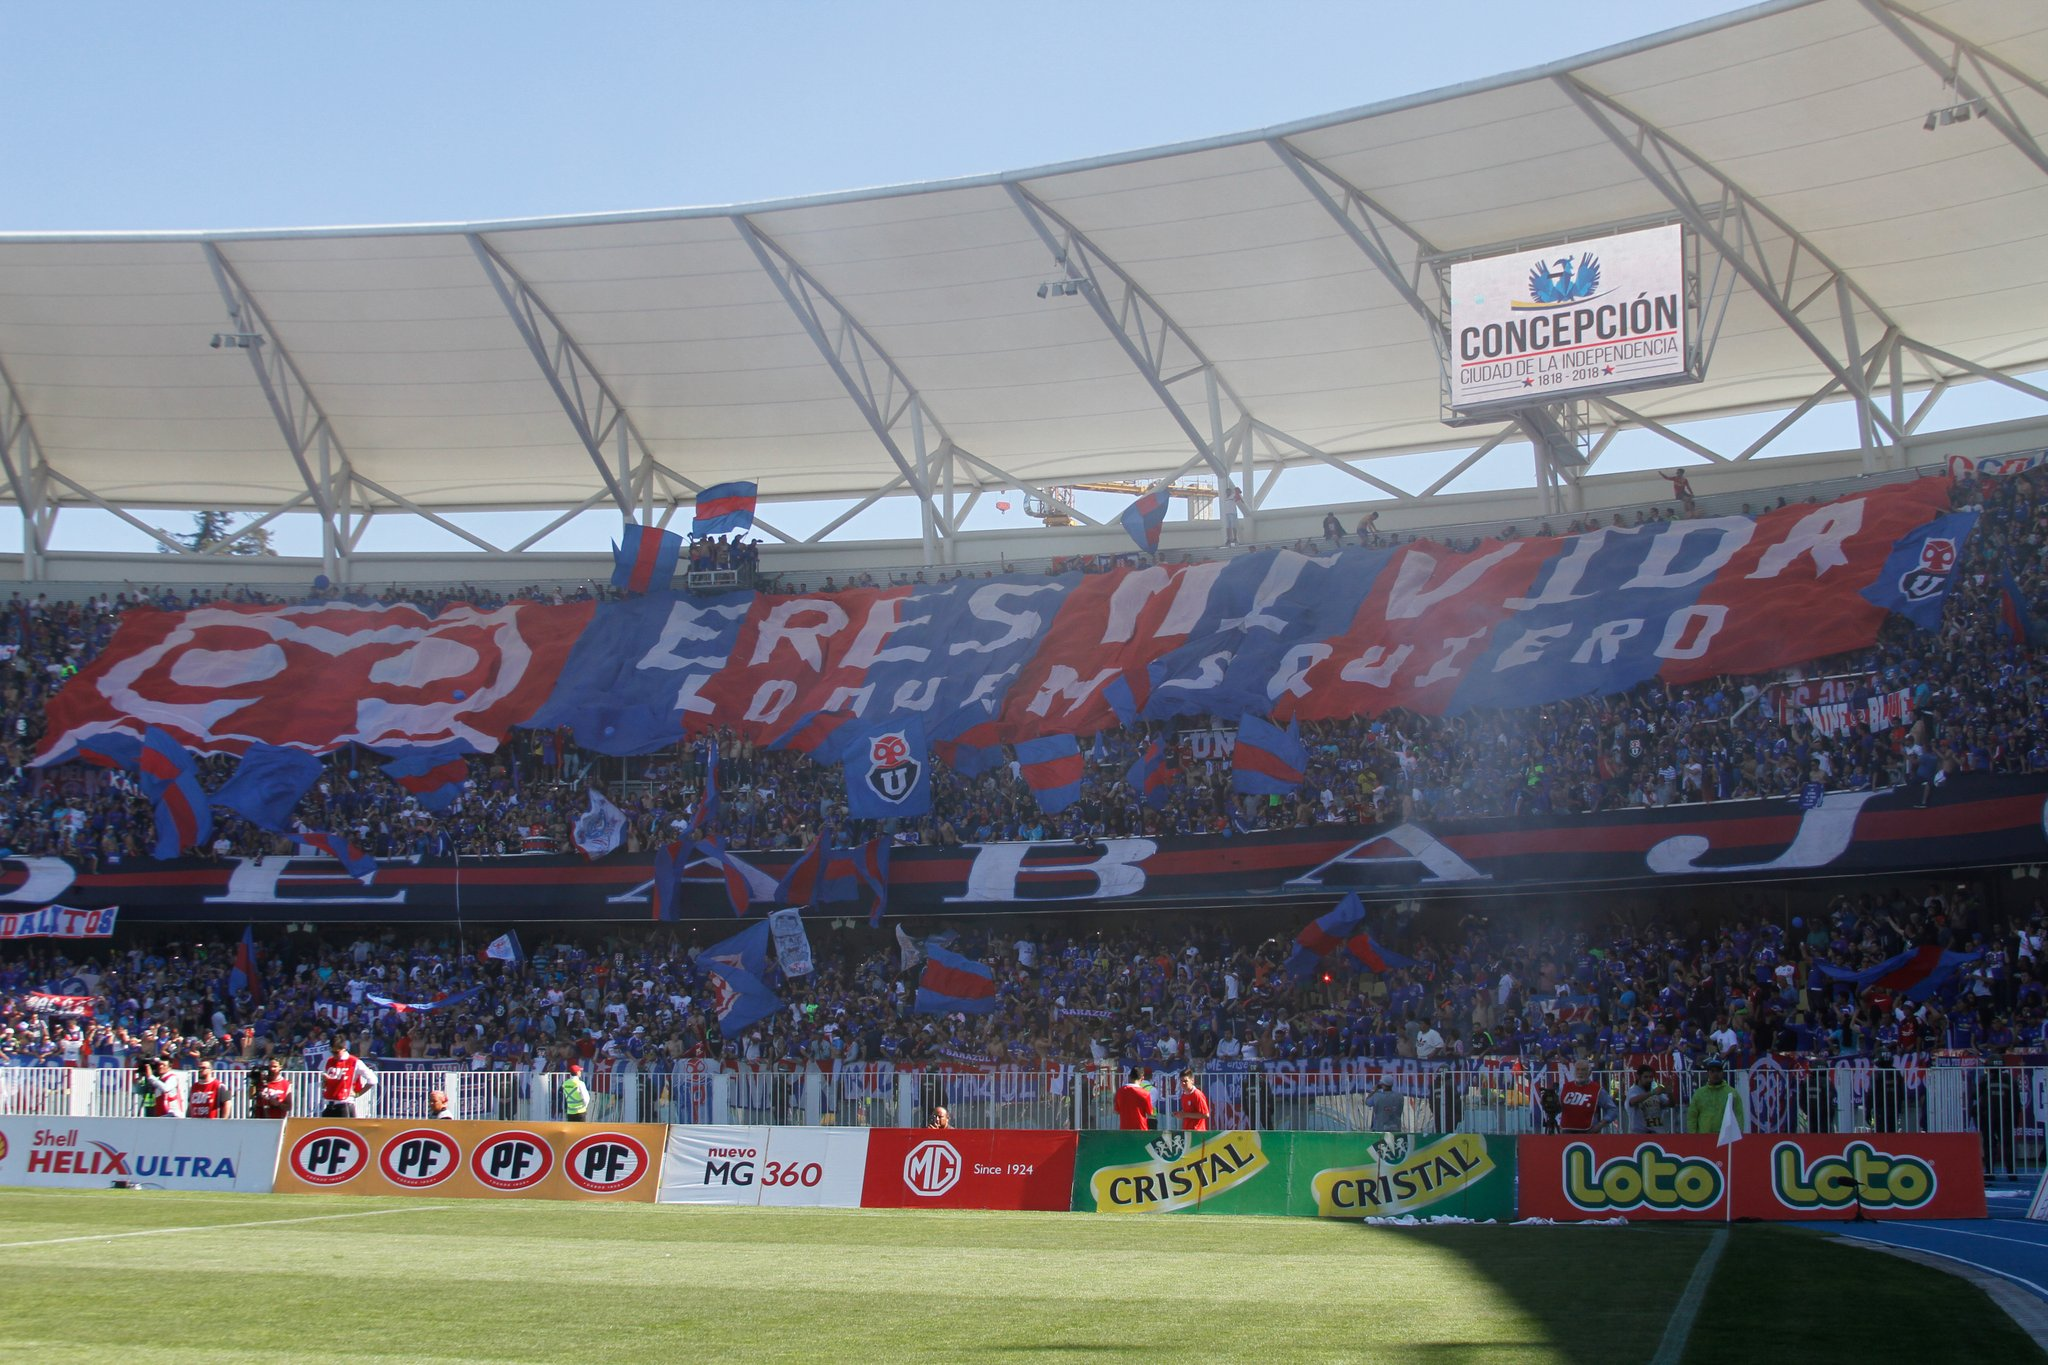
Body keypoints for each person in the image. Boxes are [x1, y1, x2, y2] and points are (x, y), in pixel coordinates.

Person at [1685, 1058, 1745, 1135]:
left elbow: (1738, 1115)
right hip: (1704, 1137)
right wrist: (1693, 1135)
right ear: (1708, 1073)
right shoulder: (1699, 1094)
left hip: (1725, 1138)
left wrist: (1738, 1133)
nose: (1715, 1074)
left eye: (1718, 1071)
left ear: (1722, 1072)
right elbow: (1692, 1117)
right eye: (1712, 1071)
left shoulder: (1732, 1093)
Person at [320, 1037, 376, 1119]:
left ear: (344, 1048)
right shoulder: (329, 1061)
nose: (334, 1055)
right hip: (329, 1104)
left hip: (344, 1104)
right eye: (332, 1052)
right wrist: (324, 1082)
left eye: (336, 1052)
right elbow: (325, 1082)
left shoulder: (354, 1062)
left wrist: (358, 1094)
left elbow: (373, 1080)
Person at [1558, 1061, 1616, 1133]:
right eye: (1578, 1069)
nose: (1580, 1072)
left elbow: (1612, 1109)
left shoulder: (1597, 1090)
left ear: (1589, 1073)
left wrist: (1600, 1124)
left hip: (1590, 1132)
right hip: (1566, 1131)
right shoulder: (1565, 1088)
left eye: (1583, 1070)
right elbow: (1557, 1106)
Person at [1626, 1068, 1672, 1134]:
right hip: (1639, 1133)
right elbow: (1633, 1101)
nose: (1649, 1080)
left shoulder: (1655, 1089)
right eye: (1646, 1077)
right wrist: (1653, 1092)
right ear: (1638, 1077)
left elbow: (1670, 1104)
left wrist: (1670, 1093)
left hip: (1657, 1132)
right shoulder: (1633, 1090)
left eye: (1651, 1077)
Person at [1112, 1067, 1155, 1131]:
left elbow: (1116, 1111)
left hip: (1124, 1128)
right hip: (1141, 1129)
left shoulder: (1120, 1091)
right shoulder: (1145, 1093)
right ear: (1142, 1078)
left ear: (1129, 1077)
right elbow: (1150, 1113)